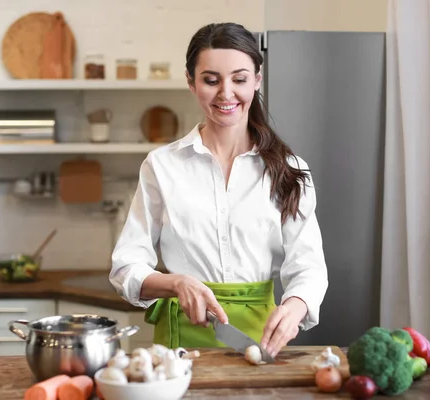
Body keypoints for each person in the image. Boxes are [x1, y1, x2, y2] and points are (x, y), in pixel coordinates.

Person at [110, 22, 328, 358]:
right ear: (192, 83)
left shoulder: (290, 169)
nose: (226, 93)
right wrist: (176, 283)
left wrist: (297, 305)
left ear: (257, 80)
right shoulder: (161, 166)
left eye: (239, 79)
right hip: (179, 347)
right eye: (211, 80)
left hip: (259, 339)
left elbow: (308, 265)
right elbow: (125, 267)